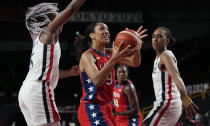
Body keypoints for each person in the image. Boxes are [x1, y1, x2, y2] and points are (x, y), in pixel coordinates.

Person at [18, 0, 85, 126]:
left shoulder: (40, 41)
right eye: (57, 15)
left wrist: (70, 72)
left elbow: (51, 72)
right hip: (38, 89)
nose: (60, 17)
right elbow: (70, 9)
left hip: (27, 90)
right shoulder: (47, 33)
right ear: (48, 21)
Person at [76, 22, 147, 126]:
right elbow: (97, 80)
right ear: (92, 35)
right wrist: (113, 60)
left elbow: (134, 63)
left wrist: (136, 47)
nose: (106, 32)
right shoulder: (87, 56)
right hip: (91, 107)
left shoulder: (110, 53)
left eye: (108, 30)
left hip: (107, 107)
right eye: (102, 29)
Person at [143, 27, 199, 126]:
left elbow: (176, 76)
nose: (155, 39)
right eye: (153, 36)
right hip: (166, 103)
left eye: (159, 36)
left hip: (168, 103)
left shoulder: (166, 56)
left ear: (166, 41)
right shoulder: (158, 58)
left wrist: (185, 96)